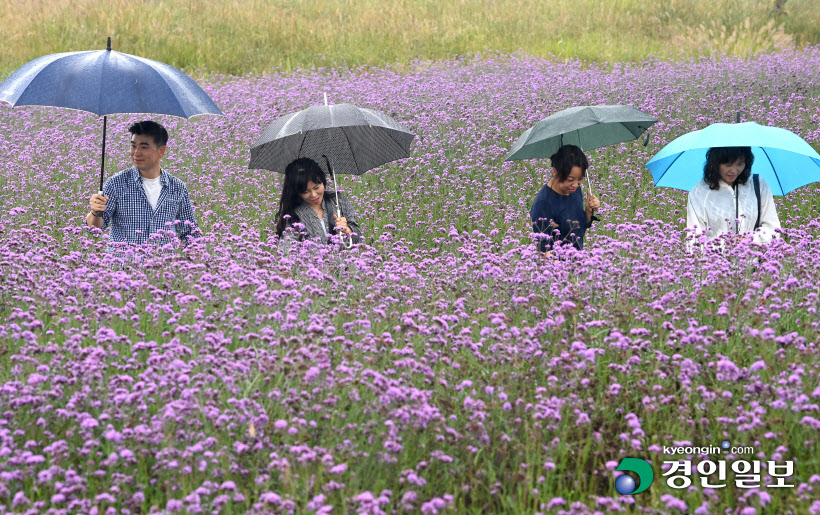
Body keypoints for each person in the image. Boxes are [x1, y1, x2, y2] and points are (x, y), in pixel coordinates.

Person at [87, 121, 199, 250]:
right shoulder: (116, 183)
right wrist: (95, 212)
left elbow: (190, 233)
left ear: (161, 151)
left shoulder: (177, 187)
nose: (136, 153)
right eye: (133, 146)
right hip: (123, 267)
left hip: (162, 267)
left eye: (144, 147)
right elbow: (95, 230)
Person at [686, 146, 780, 248]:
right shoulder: (699, 192)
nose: (734, 171)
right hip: (715, 261)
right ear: (715, 163)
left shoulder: (758, 184)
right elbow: (694, 239)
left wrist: (751, 239)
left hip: (754, 260)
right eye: (728, 165)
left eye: (740, 164)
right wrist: (725, 244)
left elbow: (773, 228)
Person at [530, 145, 601, 252]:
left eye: (580, 179)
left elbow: (577, 229)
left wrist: (588, 212)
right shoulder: (544, 204)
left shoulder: (574, 190)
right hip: (556, 266)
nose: (575, 184)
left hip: (577, 262)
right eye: (570, 179)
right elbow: (544, 252)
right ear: (555, 172)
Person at [274, 157, 362, 245]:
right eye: (305, 192)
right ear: (297, 192)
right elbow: (286, 251)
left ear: (323, 181)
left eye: (316, 187)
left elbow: (358, 237)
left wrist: (347, 230)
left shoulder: (339, 200)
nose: (314, 195)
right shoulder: (293, 215)